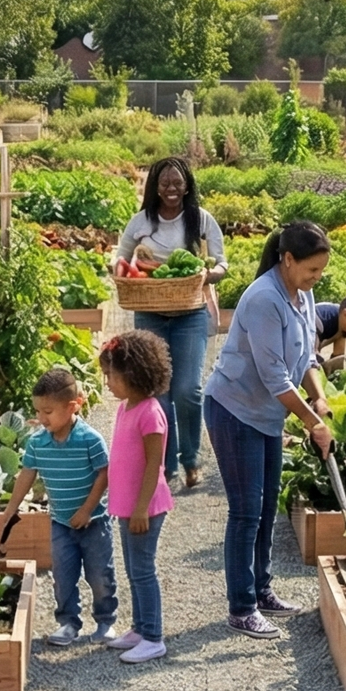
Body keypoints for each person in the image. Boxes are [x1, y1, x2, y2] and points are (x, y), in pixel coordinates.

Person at [205, 220, 334, 639]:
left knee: (266, 507)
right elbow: (276, 376)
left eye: (321, 271)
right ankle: (241, 607)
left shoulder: (303, 294)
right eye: (311, 269)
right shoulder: (263, 298)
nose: (317, 278)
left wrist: (319, 398)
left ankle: (262, 591)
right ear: (288, 259)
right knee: (245, 510)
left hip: (265, 415)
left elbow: (309, 356)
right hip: (234, 410)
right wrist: (312, 423)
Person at [113, 156, 228, 489]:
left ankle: (191, 458)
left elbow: (222, 264)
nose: (171, 189)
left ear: (187, 185)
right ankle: (166, 468)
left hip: (190, 313)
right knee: (158, 394)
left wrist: (208, 274)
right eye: (164, 183)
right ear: (155, 187)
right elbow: (121, 258)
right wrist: (124, 272)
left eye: (177, 183)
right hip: (150, 313)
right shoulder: (141, 222)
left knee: (188, 390)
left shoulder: (200, 220)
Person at [3, 368, 114, 646]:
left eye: (48, 412)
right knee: (63, 577)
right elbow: (27, 474)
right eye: (38, 411)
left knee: (100, 575)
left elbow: (105, 473)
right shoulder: (37, 442)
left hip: (94, 522)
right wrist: (10, 508)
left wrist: (87, 510)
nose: (41, 418)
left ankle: (105, 622)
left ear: (73, 405)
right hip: (60, 523)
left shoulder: (90, 439)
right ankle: (68, 623)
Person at [98, 331, 172, 664]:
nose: (108, 383)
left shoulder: (150, 412)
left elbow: (155, 464)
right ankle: (141, 628)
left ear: (133, 373)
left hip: (145, 507)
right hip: (129, 506)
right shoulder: (126, 408)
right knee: (133, 569)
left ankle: (154, 636)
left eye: (111, 376)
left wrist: (141, 507)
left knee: (143, 570)